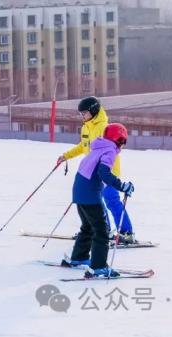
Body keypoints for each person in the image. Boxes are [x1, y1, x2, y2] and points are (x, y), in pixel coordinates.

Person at [57, 96, 136, 244]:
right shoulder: (86, 126)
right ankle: (101, 229)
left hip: (106, 171)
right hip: (92, 172)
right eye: (81, 113)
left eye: (84, 113)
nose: (82, 116)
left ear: (93, 111)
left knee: (111, 201)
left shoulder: (103, 127)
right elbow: (83, 146)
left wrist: (103, 171)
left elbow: (108, 150)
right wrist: (66, 156)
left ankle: (126, 233)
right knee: (96, 202)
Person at [67, 123, 135, 277]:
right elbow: (104, 173)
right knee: (101, 231)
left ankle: (79, 257)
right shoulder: (110, 151)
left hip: (79, 191)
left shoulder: (98, 148)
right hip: (90, 194)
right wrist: (122, 186)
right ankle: (98, 266)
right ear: (119, 140)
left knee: (88, 226)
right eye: (123, 142)